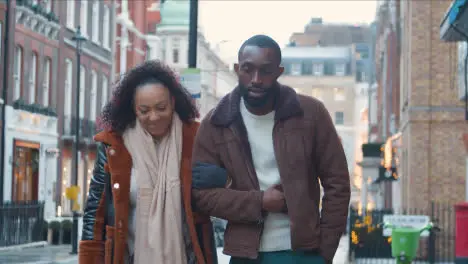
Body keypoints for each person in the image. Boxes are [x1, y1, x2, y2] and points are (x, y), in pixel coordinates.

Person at [191, 35, 351, 264]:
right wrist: (260, 202)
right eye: (247, 69)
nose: (256, 79)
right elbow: (201, 197)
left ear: (279, 71)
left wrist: (324, 253)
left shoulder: (311, 114)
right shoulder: (217, 122)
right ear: (237, 69)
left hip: (303, 253)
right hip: (245, 254)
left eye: (266, 71)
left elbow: (338, 184)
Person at [78, 61, 224, 264]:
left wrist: (224, 180)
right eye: (144, 110)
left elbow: (217, 199)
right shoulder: (113, 145)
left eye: (161, 108)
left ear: (173, 102)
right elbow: (95, 212)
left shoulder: (195, 138)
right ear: (133, 108)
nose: (153, 117)